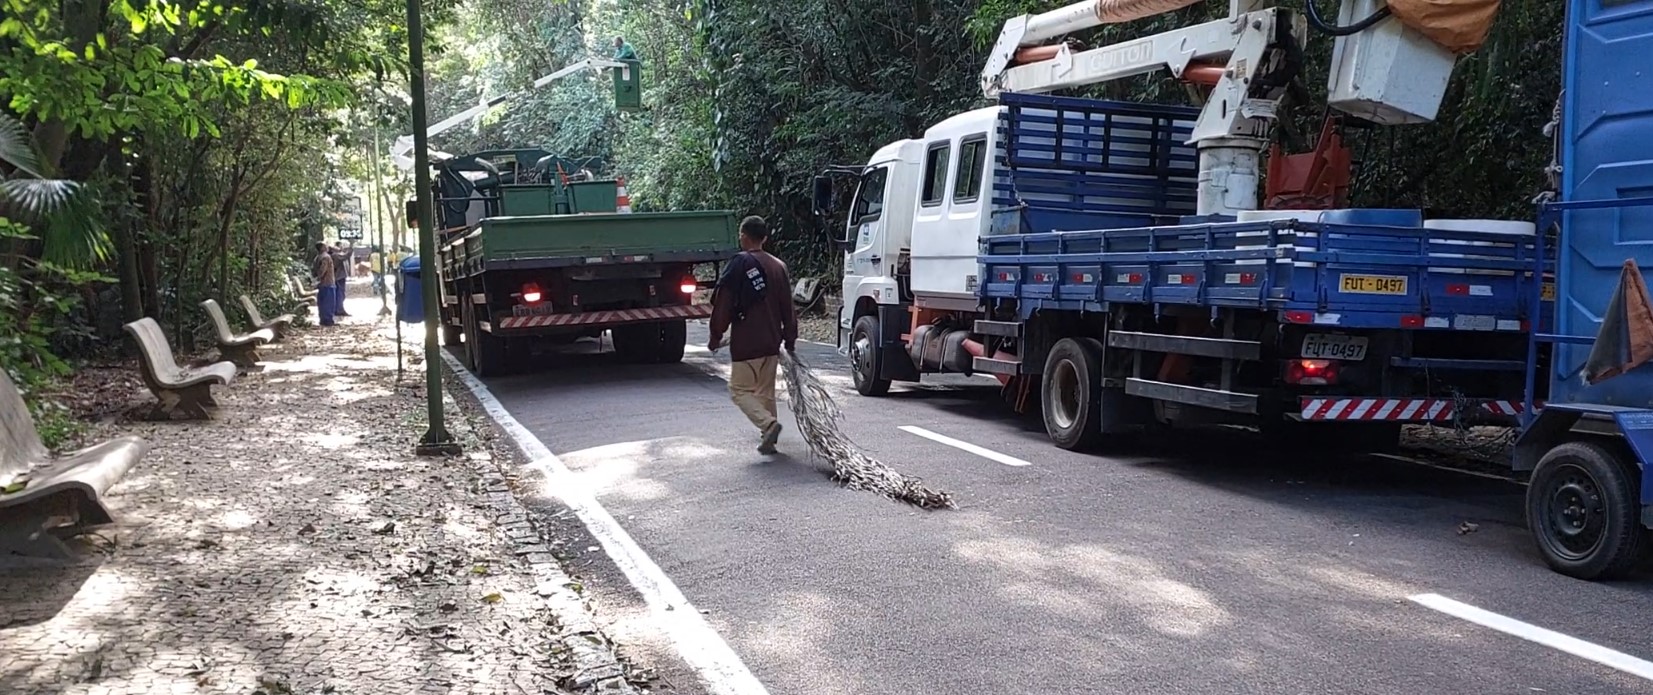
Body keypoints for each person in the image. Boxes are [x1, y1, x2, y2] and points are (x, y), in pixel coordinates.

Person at [709, 215, 797, 454]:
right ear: (764, 238)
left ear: (743, 236)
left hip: (746, 342)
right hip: (771, 342)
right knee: (765, 392)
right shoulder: (778, 266)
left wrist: (716, 335)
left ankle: (768, 425)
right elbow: (788, 307)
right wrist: (790, 339)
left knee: (739, 390)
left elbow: (724, 303)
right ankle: (768, 439)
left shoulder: (740, 263)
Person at [312, 242, 337, 326]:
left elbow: (314, 270)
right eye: (325, 245)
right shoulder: (326, 257)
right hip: (328, 283)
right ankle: (328, 319)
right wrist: (320, 277)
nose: (327, 247)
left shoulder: (317, 257)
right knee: (329, 302)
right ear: (322, 248)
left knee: (322, 302)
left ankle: (323, 318)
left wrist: (316, 279)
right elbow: (323, 270)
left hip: (322, 284)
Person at [332, 241, 352, 317]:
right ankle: (339, 309)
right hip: (339, 277)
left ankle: (338, 308)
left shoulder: (337, 254)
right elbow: (345, 256)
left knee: (340, 293)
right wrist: (350, 249)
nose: (341, 248)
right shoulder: (336, 255)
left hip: (340, 276)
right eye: (340, 246)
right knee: (340, 293)